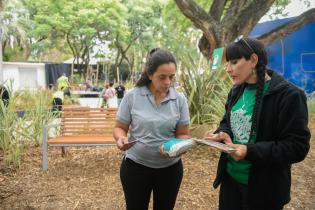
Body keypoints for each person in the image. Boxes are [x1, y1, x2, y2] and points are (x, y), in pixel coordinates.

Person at [205, 37, 310, 210]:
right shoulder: (236, 90)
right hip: (231, 182)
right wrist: (223, 133)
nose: (228, 69)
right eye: (227, 63)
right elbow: (227, 121)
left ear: (253, 60)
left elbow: (297, 147)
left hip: (264, 191)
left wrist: (249, 150)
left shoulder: (289, 96)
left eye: (234, 62)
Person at [113, 48, 190, 210]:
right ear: (150, 75)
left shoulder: (180, 99)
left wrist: (176, 148)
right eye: (162, 77)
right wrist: (121, 139)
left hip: (170, 170)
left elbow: (183, 134)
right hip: (135, 168)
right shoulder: (132, 96)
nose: (168, 82)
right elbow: (120, 127)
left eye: (171, 77)